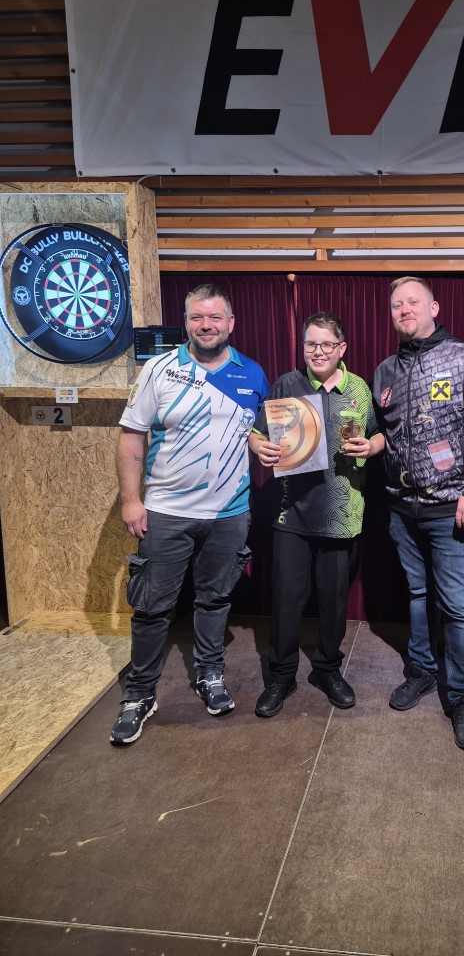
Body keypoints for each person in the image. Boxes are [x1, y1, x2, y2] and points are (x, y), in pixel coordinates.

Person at [110, 284, 269, 746]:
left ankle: (209, 674)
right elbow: (131, 436)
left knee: (215, 600)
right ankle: (139, 695)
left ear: (230, 323)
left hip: (229, 513)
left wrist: (264, 444)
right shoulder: (159, 369)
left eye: (215, 317)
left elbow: (251, 430)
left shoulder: (252, 373)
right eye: (197, 317)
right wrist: (131, 500)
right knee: (152, 608)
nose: (206, 325)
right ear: (186, 322)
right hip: (166, 512)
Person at [369, 277, 464, 750]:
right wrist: (370, 445)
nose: (404, 310)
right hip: (401, 508)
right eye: (396, 305)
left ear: (434, 307)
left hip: (453, 508)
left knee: (458, 605)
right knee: (417, 593)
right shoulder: (385, 370)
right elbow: (388, 430)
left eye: (413, 302)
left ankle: (463, 697)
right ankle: (423, 670)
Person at [250, 312, 377, 717]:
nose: (318, 351)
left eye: (326, 344)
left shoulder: (359, 388)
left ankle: (327, 669)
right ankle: (281, 675)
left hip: (341, 515)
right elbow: (257, 433)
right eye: (310, 344)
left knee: (333, 601)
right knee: (286, 600)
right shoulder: (287, 384)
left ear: (341, 348)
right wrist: (259, 447)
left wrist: (372, 447)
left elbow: (378, 434)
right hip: (292, 514)